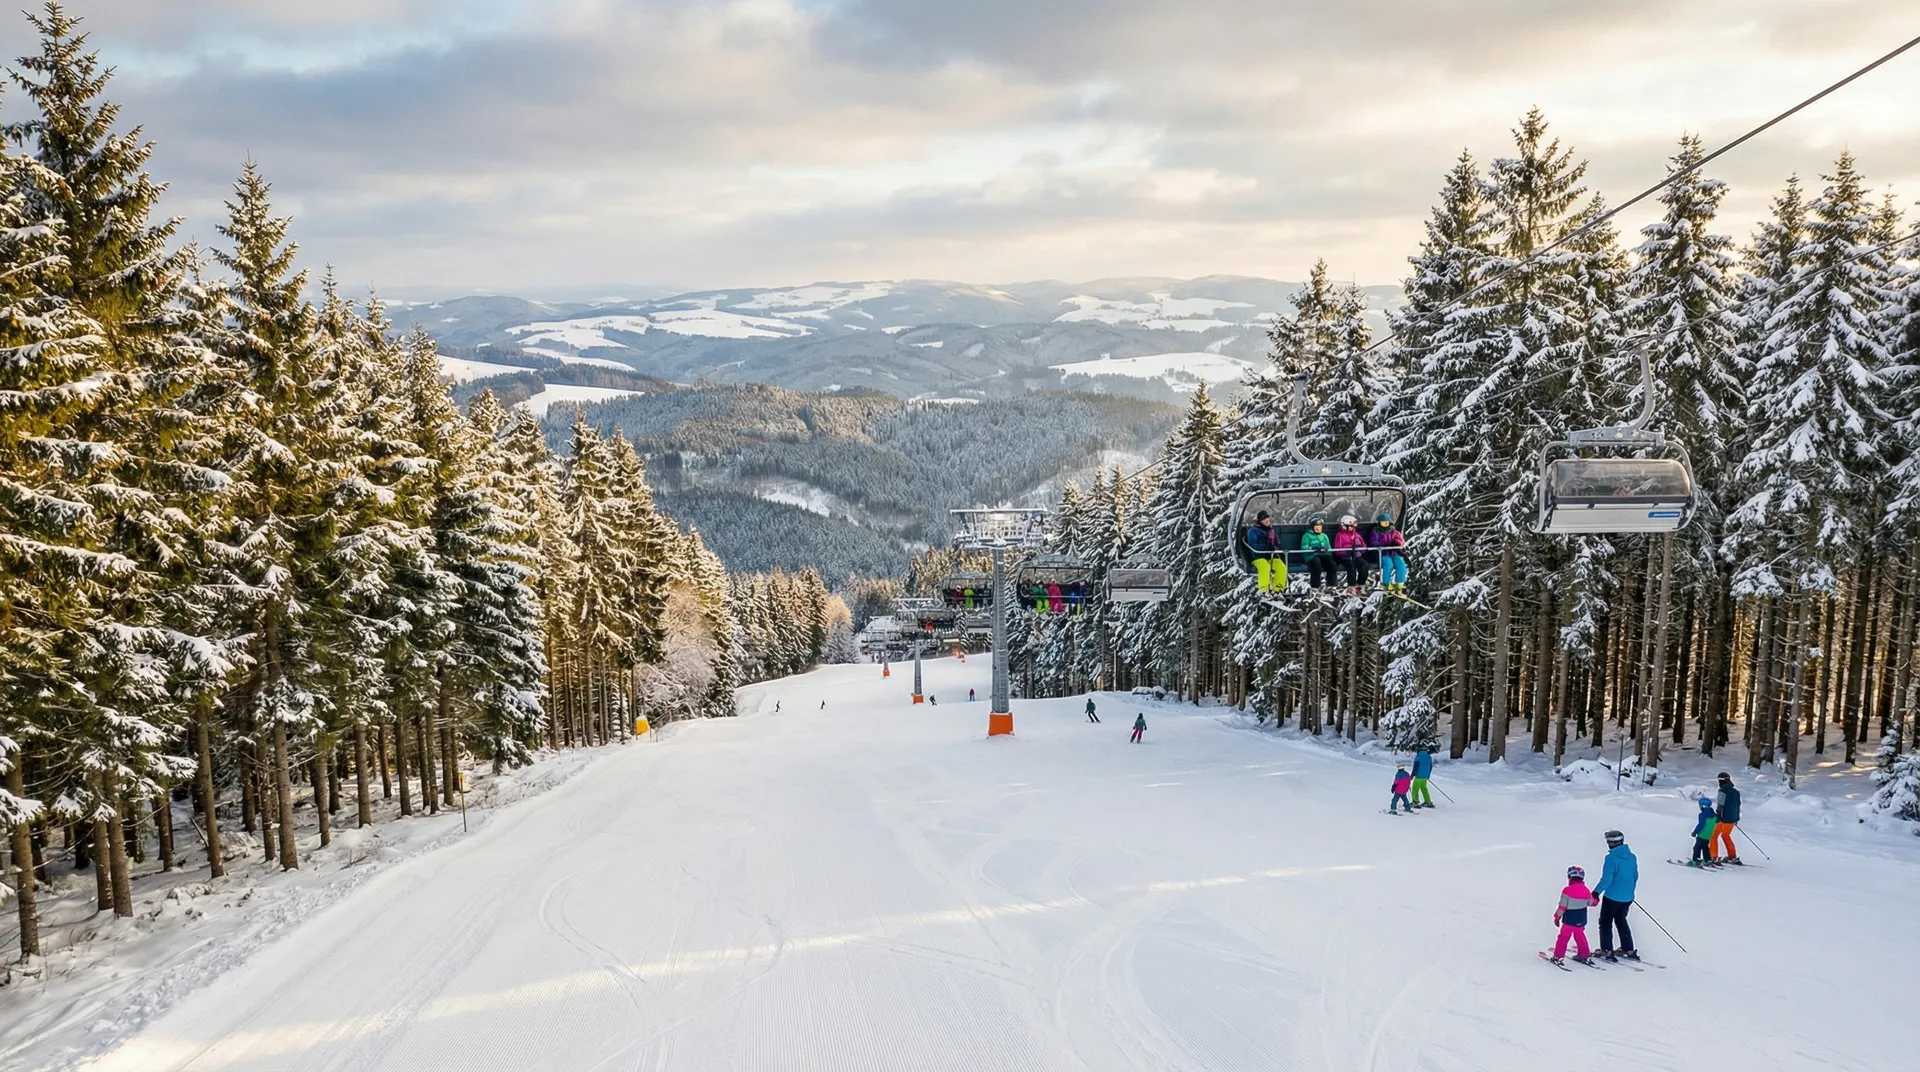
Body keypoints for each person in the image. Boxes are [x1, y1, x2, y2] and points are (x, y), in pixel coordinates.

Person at [1589, 829, 1639, 962]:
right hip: (1628, 897)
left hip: (1612, 897)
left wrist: (1596, 893)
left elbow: (1606, 879)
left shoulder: (1611, 858)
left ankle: (1606, 950)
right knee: (1621, 920)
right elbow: (1635, 876)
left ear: (1611, 843)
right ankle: (1628, 948)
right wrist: (1629, 892)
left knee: (1605, 922)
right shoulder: (1632, 856)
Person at [1550, 865, 1596, 966]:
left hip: (1569, 920)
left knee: (1563, 937)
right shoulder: (1586, 890)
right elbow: (1591, 902)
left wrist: (1557, 917)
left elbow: (1562, 907)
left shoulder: (1567, 890)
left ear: (1569, 877)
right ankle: (1584, 955)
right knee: (1580, 936)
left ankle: (1558, 956)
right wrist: (1596, 899)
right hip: (1581, 919)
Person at [1247, 510, 1286, 592]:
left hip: (1271, 556)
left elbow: (1277, 544)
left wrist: (1275, 548)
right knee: (1265, 567)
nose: (1268, 521)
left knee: (1281, 567)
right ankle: (1264, 590)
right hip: (1258, 557)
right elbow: (1253, 546)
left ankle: (1278, 589)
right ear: (1260, 521)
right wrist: (1267, 547)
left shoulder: (1271, 531)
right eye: (1265, 520)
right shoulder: (1253, 531)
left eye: (1268, 520)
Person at [1369, 512, 1408, 591]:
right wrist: (1384, 545)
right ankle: (1386, 584)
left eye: (1387, 522)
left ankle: (1399, 584)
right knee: (1388, 565)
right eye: (1383, 523)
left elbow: (1400, 540)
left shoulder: (1393, 531)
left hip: (1393, 552)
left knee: (1401, 565)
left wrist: (1397, 543)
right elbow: (1373, 542)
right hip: (1383, 553)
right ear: (1379, 523)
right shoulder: (1376, 532)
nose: (1385, 524)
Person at [1711, 772, 1742, 864]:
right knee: (1725, 835)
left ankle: (1714, 857)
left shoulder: (1722, 791)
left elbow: (1720, 805)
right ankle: (1732, 856)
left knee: (1713, 836)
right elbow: (1738, 805)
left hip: (1723, 819)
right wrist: (1736, 818)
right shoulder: (1736, 792)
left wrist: (1718, 816)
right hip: (1732, 819)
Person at [1333, 515, 1368, 594]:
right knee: (1351, 567)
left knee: (1364, 565)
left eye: (1353, 527)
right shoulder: (1340, 535)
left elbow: (1364, 548)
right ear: (1344, 526)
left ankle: (1360, 584)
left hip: (1356, 555)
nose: (1352, 528)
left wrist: (1359, 546)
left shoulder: (1356, 535)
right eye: (1350, 527)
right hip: (1346, 556)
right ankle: (1351, 586)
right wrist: (1346, 551)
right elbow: (1337, 549)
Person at [1302, 516, 1335, 589]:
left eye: (1320, 526)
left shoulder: (1324, 536)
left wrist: (1327, 552)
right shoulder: (1307, 536)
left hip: (1323, 555)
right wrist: (1312, 548)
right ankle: (1315, 586)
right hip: (1312, 556)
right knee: (1317, 565)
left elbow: (1328, 547)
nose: (1318, 528)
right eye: (1316, 526)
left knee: (1332, 565)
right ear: (1312, 527)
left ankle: (1331, 585)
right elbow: (1304, 547)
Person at [1688, 796, 1717, 866]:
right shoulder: (1714, 815)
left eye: (1700, 806)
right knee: (1705, 847)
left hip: (1702, 834)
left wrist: (1695, 832)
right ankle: (1707, 860)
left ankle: (1696, 860)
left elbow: (1701, 824)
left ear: (1703, 806)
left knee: (1696, 847)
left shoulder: (1702, 815)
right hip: (1708, 835)